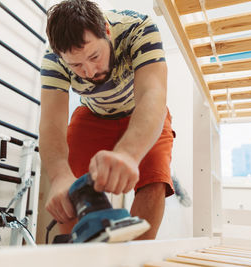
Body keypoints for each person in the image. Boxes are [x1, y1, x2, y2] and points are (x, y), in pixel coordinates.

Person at [39, 0, 174, 240]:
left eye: (94, 56)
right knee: (66, 186)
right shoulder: (53, 59)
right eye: (76, 65)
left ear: (107, 30)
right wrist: (60, 176)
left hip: (140, 109)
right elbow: (51, 122)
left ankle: (135, 258)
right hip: (92, 114)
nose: (89, 72)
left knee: (155, 176)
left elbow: (152, 94)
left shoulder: (139, 28)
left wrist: (128, 154)